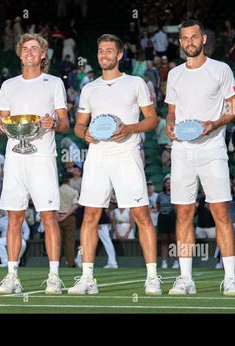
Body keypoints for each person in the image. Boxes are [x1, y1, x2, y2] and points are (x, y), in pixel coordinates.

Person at [68, 33, 161, 296]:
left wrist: (130, 128)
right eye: (100, 51)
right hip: (97, 156)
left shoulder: (136, 83)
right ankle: (87, 278)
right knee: (90, 216)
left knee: (141, 214)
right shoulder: (89, 88)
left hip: (127, 154)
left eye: (109, 51)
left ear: (119, 55)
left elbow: (152, 119)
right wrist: (82, 133)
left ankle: (152, 277)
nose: (104, 55)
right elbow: (78, 125)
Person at [164, 20, 235, 296]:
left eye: (193, 37)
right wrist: (169, 123)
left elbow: (234, 108)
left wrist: (215, 122)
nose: (189, 42)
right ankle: (186, 279)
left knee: (220, 212)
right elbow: (172, 111)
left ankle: (230, 278)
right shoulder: (174, 74)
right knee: (184, 213)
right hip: (182, 151)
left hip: (212, 149)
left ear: (204, 39)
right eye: (184, 38)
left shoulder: (221, 69)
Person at [0, 33, 69, 295]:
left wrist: (54, 123)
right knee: (14, 217)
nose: (29, 53)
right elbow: (4, 123)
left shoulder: (54, 82)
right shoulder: (8, 85)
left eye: (35, 49)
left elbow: (65, 122)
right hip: (15, 157)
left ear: (43, 54)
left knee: (49, 217)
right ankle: (12, 276)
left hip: (43, 157)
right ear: (19, 54)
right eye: (25, 49)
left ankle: (54, 277)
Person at [156, 175, 179, 269]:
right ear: (164, 184)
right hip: (163, 217)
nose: (168, 184)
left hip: (173, 217)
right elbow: (158, 206)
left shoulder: (176, 193)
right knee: (164, 241)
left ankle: (176, 261)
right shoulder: (160, 195)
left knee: (174, 240)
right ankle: (164, 262)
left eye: (170, 183)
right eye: (167, 183)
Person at [58, 172, 79, 268]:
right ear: (69, 180)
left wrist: (58, 216)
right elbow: (75, 205)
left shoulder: (57, 191)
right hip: (69, 217)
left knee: (57, 241)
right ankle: (70, 263)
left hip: (57, 217)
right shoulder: (73, 191)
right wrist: (66, 215)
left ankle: (55, 263)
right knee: (69, 242)